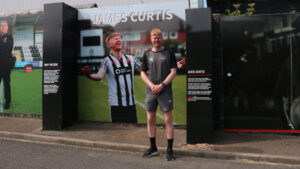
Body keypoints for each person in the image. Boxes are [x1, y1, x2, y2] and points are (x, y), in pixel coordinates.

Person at [82, 32, 141, 123]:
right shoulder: (106, 61)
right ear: (109, 45)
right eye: (115, 39)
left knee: (133, 132)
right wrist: (89, 75)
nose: (118, 40)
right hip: (116, 105)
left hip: (131, 104)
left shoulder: (132, 58)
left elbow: (145, 71)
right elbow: (100, 75)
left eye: (119, 38)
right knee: (118, 133)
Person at [140, 28, 178, 161]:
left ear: (162, 38)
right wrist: (151, 85)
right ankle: (153, 148)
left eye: (158, 37)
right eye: (154, 37)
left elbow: (173, 72)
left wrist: (162, 85)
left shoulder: (169, 53)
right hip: (151, 91)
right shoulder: (147, 54)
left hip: (164, 90)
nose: (156, 39)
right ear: (151, 39)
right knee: (150, 120)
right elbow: (142, 72)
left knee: (168, 120)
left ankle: (170, 150)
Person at [0, 20, 14, 110]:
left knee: (6, 84)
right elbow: (5, 47)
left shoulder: (10, 36)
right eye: (1, 26)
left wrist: (2, 45)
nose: (3, 27)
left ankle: (7, 102)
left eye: (4, 25)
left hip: (6, 65)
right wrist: (3, 45)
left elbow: (9, 47)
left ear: (7, 27)